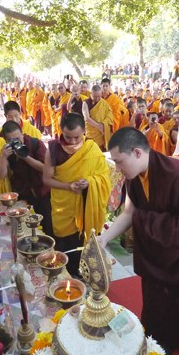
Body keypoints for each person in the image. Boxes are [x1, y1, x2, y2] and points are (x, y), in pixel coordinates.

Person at [98, 127, 179, 355]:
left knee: (178, 304)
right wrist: (104, 238)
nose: (117, 168)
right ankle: (155, 336)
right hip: (160, 251)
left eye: (119, 161)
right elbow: (129, 213)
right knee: (154, 300)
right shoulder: (135, 176)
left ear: (136, 152)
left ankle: (172, 342)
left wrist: (144, 222)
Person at [42, 113, 111, 276]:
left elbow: (104, 176)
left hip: (86, 205)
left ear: (84, 131)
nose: (73, 142)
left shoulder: (92, 148)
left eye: (77, 137)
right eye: (68, 137)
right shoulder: (53, 148)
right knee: (64, 244)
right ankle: (65, 275)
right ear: (61, 131)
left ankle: (83, 273)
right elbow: (46, 179)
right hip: (63, 206)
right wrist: (69, 186)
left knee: (84, 243)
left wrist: (90, 182)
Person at [0, 121, 53, 236]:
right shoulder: (7, 151)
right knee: (26, 230)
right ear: (6, 141)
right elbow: (2, 175)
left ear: (23, 133)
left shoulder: (35, 144)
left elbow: (45, 168)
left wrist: (25, 157)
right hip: (23, 198)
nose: (16, 142)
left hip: (42, 195)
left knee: (48, 228)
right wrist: (3, 157)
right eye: (11, 140)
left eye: (18, 138)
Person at [82, 85, 114, 151]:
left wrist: (103, 124)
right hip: (91, 134)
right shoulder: (85, 103)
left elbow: (110, 115)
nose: (97, 99)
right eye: (95, 97)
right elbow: (87, 118)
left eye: (99, 96)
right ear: (91, 94)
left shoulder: (103, 103)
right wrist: (99, 126)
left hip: (101, 135)